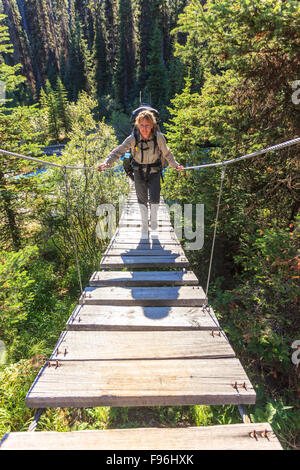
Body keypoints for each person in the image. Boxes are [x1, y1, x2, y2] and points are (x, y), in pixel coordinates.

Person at [97, 109, 184, 236]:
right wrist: (107, 162)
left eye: (147, 125)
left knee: (155, 199)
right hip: (138, 171)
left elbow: (167, 153)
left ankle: (153, 220)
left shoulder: (159, 137)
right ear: (138, 125)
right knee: (142, 199)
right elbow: (118, 151)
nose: (144, 128)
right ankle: (145, 224)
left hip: (154, 171)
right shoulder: (133, 138)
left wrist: (175, 165)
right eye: (141, 125)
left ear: (152, 125)